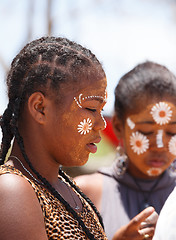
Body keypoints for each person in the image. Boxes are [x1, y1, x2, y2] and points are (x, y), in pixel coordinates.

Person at [0, 36, 108, 240]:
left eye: (102, 110)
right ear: (40, 108)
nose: (101, 123)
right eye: (91, 108)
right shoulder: (12, 190)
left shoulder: (68, 190)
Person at [75, 61, 176, 240]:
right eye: (146, 132)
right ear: (119, 127)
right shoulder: (83, 194)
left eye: (171, 132)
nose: (160, 144)